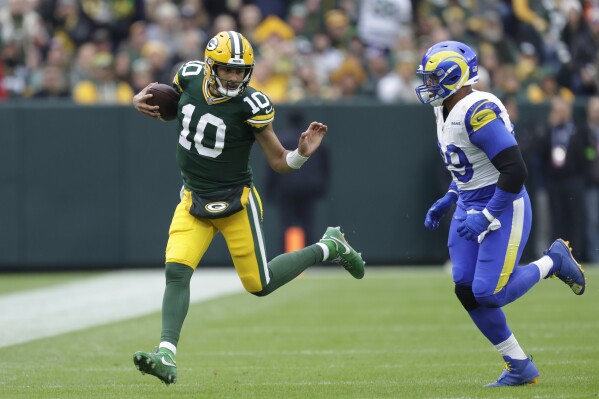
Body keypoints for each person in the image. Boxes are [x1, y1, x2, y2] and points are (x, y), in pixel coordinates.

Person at [130, 30, 365, 385]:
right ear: (210, 66)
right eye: (227, 70)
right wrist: (139, 99)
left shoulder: (252, 105)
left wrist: (300, 154)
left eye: (241, 71)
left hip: (236, 202)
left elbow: (278, 162)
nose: (235, 77)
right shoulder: (189, 76)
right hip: (193, 196)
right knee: (177, 271)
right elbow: (168, 107)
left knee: (260, 284)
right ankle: (166, 353)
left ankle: (330, 246)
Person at [416, 40, 586, 387]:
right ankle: (519, 365)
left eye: (434, 78)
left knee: (488, 293)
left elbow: (514, 170)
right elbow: (467, 163)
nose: (428, 85)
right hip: (469, 201)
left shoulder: (477, 110)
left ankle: (554, 260)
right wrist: (451, 195)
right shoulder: (444, 108)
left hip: (504, 202)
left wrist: (488, 214)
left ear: (455, 76)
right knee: (464, 288)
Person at [264, 110, 330, 253]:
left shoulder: (281, 139)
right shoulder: (314, 141)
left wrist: (270, 191)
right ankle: (312, 258)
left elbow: (272, 166)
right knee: (309, 225)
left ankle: (284, 257)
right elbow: (325, 166)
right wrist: (322, 187)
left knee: (285, 225)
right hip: (309, 188)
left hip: (286, 188)